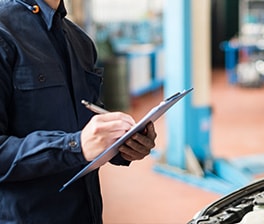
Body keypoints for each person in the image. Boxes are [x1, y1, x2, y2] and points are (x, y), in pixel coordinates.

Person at [0, 0, 157, 223]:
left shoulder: (80, 41)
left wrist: (122, 144)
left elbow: (88, 121)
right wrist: (76, 146)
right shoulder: (4, 32)